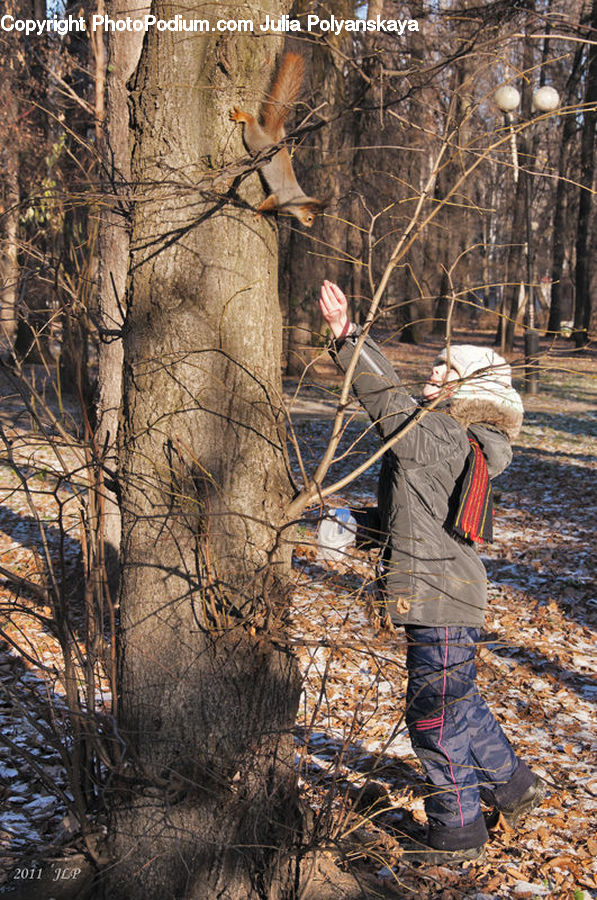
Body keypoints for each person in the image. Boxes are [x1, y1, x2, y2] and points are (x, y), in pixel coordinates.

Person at [318, 280, 546, 865]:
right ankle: (515, 786)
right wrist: (326, 526)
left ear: (471, 390)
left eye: (446, 369)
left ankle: (458, 832)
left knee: (432, 714)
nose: (433, 372)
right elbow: (412, 520)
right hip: (449, 593)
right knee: (457, 701)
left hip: (440, 597)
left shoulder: (441, 435)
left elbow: (388, 402)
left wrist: (348, 339)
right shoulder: (459, 441)